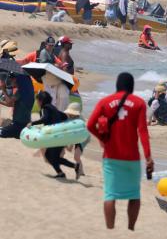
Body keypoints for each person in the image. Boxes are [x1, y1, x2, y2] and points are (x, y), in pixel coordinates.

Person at [86, 72, 153, 230]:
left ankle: (110, 229)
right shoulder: (139, 104)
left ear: (117, 85)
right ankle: (130, 228)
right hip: (132, 157)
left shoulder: (105, 102)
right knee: (134, 195)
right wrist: (148, 157)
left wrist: (102, 139)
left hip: (111, 155)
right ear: (132, 87)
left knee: (110, 194)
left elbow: (90, 124)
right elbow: (143, 132)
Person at [31, 91, 77, 178]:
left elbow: (45, 119)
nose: (37, 103)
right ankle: (63, 172)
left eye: (37, 101)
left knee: (52, 157)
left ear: (41, 101)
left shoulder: (45, 108)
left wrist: (32, 123)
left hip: (56, 136)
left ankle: (73, 167)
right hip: (60, 135)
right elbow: (64, 116)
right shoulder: (53, 108)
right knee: (49, 156)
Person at [0, 72, 34, 138]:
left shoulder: (20, 91)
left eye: (11, 79)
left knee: (2, 132)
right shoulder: (26, 90)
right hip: (24, 122)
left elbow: (9, 102)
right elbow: (10, 104)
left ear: (16, 79)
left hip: (19, 124)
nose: (10, 81)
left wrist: (3, 89)